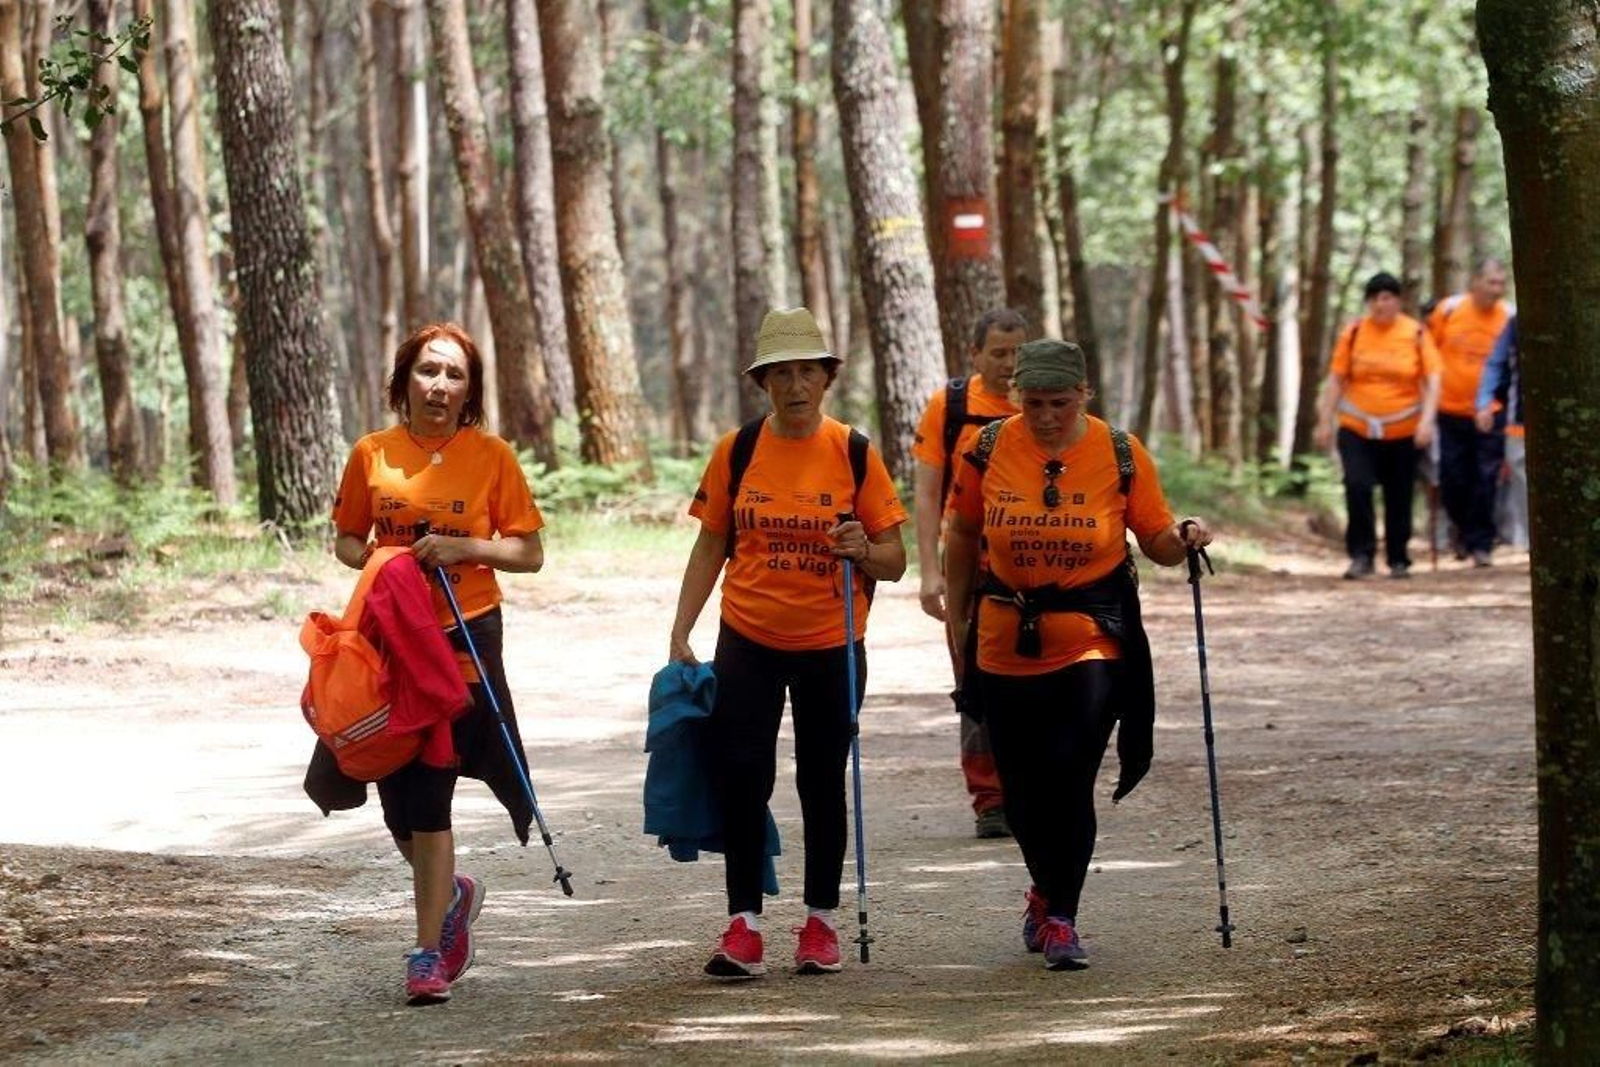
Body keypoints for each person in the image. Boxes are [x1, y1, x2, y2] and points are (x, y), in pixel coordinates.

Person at [942, 338, 1213, 971]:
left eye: (1059, 403)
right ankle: (1045, 891)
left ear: (1084, 395)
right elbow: (963, 531)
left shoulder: (1120, 452)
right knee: (1020, 790)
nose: (1045, 416)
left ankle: (1061, 916)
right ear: (1018, 396)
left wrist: (1185, 537)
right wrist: (957, 618)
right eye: (1034, 402)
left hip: (1092, 638)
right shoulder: (986, 447)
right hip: (1003, 637)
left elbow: (1155, 538)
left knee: (1069, 777)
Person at [668, 307, 907, 978]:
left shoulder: (854, 452)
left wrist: (863, 548)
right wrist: (681, 627)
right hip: (748, 637)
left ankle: (820, 923)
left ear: (827, 378)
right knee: (742, 775)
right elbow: (712, 541)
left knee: (821, 779)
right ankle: (743, 925)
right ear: (763, 382)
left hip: (833, 642)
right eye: (781, 374)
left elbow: (895, 560)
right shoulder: (738, 449)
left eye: (807, 371)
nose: (795, 385)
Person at [326, 322, 546, 1004]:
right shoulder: (372, 454)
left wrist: (465, 548)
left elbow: (530, 552)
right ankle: (451, 892)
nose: (440, 385)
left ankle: (426, 954)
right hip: (390, 634)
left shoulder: (492, 456)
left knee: (433, 785)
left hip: (465, 635)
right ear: (405, 381)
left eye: (455, 375)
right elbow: (346, 539)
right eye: (428, 370)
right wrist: (380, 562)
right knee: (395, 792)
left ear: (469, 391)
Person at [911, 307, 1028, 838]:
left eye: (1018, 352)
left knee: (1036, 680)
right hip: (968, 569)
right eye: (998, 353)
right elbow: (927, 492)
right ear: (975, 355)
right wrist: (929, 573)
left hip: (1029, 567)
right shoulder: (951, 406)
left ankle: (1033, 788)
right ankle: (990, 800)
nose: (1009, 364)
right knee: (975, 683)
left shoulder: (1042, 405)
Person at [1314, 272, 1442, 580]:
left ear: (1398, 300)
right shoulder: (1354, 332)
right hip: (1357, 427)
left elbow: (1433, 380)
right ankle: (1362, 554)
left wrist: (1427, 421)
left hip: (1403, 430)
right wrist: (1324, 421)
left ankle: (1398, 557)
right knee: (1357, 485)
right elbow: (1336, 380)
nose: (1379, 304)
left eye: (1386, 297)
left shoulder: (1416, 333)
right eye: (1373, 298)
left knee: (1399, 493)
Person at [1428, 260, 1513, 566]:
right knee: (1452, 477)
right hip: (1449, 410)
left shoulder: (1509, 316)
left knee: (1486, 477)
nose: (1497, 289)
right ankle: (1462, 531)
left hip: (1491, 412)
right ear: (1474, 281)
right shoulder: (1448, 310)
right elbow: (1428, 353)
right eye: (1491, 282)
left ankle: (1481, 543)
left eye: (1501, 283)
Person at [1477, 314, 1527, 550]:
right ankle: (1531, 542)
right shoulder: (1516, 322)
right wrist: (1483, 403)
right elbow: (1495, 364)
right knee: (1522, 482)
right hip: (1519, 420)